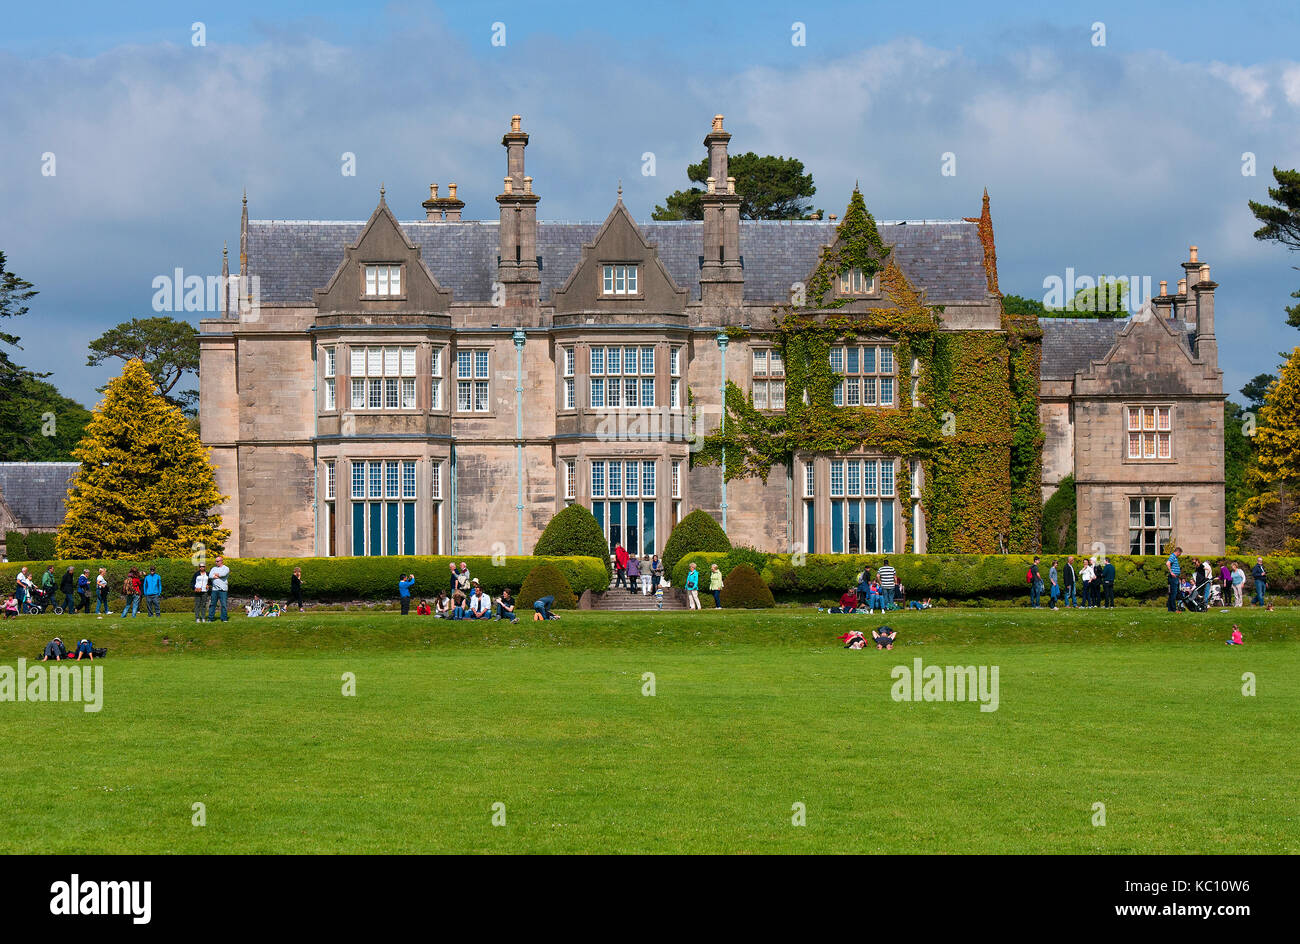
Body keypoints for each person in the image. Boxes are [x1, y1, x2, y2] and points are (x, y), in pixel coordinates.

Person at [208, 556, 231, 622]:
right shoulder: (213, 568)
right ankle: (210, 618)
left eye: (217, 561)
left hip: (223, 590)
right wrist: (217, 575)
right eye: (215, 561)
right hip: (214, 590)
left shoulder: (226, 568)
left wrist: (215, 575)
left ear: (221, 561)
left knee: (223, 605)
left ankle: (224, 618)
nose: (216, 562)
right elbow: (210, 576)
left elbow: (223, 574)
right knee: (212, 604)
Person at [1165, 546, 1182, 613]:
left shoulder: (1174, 557)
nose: (1179, 555)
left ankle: (1170, 609)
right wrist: (1171, 572)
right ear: (1178, 552)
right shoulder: (1172, 556)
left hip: (1176, 577)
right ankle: (1174, 609)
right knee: (1174, 593)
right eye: (1180, 554)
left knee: (1173, 593)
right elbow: (1167, 563)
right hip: (1173, 577)